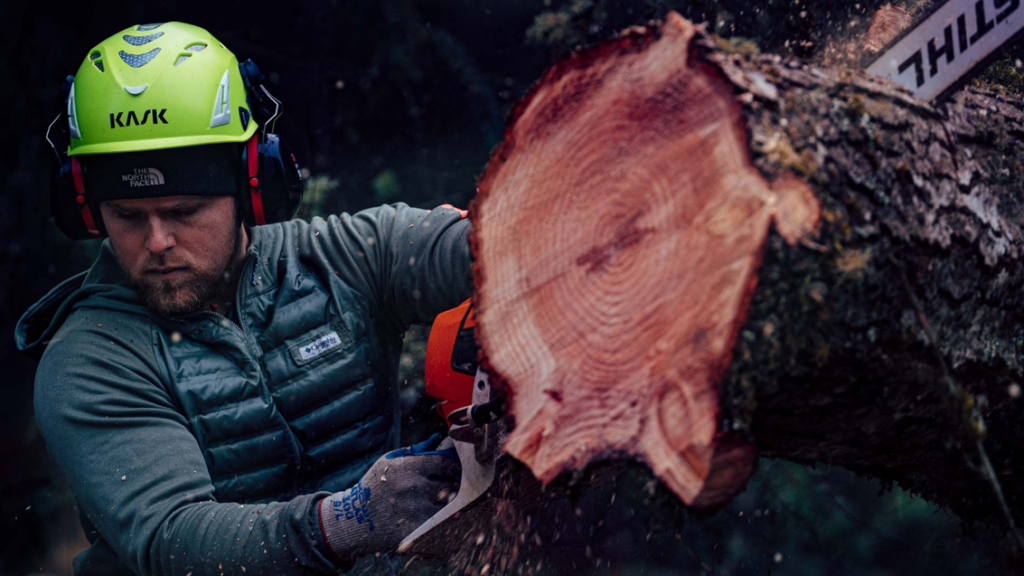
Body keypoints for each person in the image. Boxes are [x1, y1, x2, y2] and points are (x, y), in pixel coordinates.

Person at [15, 21, 471, 575]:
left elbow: (479, 247)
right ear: (87, 208)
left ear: (252, 182)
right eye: (128, 216)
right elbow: (173, 539)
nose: (157, 242)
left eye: (184, 212)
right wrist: (348, 519)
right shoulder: (89, 360)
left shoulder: (341, 259)